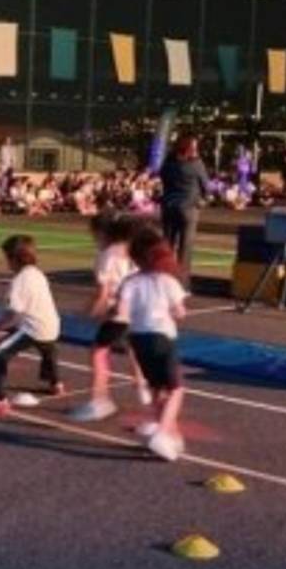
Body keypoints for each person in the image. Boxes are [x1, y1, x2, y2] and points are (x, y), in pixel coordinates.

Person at [68, 212, 148, 423]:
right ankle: (142, 385)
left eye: (93, 233)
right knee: (133, 347)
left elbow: (103, 293)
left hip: (117, 311)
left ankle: (99, 399)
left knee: (98, 352)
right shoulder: (133, 252)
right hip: (138, 309)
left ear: (102, 232)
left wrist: (91, 312)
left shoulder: (107, 255)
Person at [118, 228, 190, 462]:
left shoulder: (130, 282)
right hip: (162, 337)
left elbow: (122, 313)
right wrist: (175, 310)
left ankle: (171, 434)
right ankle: (162, 432)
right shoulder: (167, 281)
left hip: (138, 340)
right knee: (176, 390)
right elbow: (180, 313)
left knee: (159, 389)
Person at [0, 235, 63, 415]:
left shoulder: (18, 281)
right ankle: (56, 383)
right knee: (48, 348)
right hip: (52, 325)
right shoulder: (37, 273)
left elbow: (12, 314)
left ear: (13, 259)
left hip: (34, 328)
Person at [158, 133, 209, 288]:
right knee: (185, 247)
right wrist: (204, 199)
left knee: (167, 243)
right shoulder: (196, 164)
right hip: (188, 208)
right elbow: (205, 185)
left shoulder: (168, 164)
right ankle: (181, 284)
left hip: (168, 206)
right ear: (189, 149)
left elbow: (163, 179)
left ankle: (162, 278)